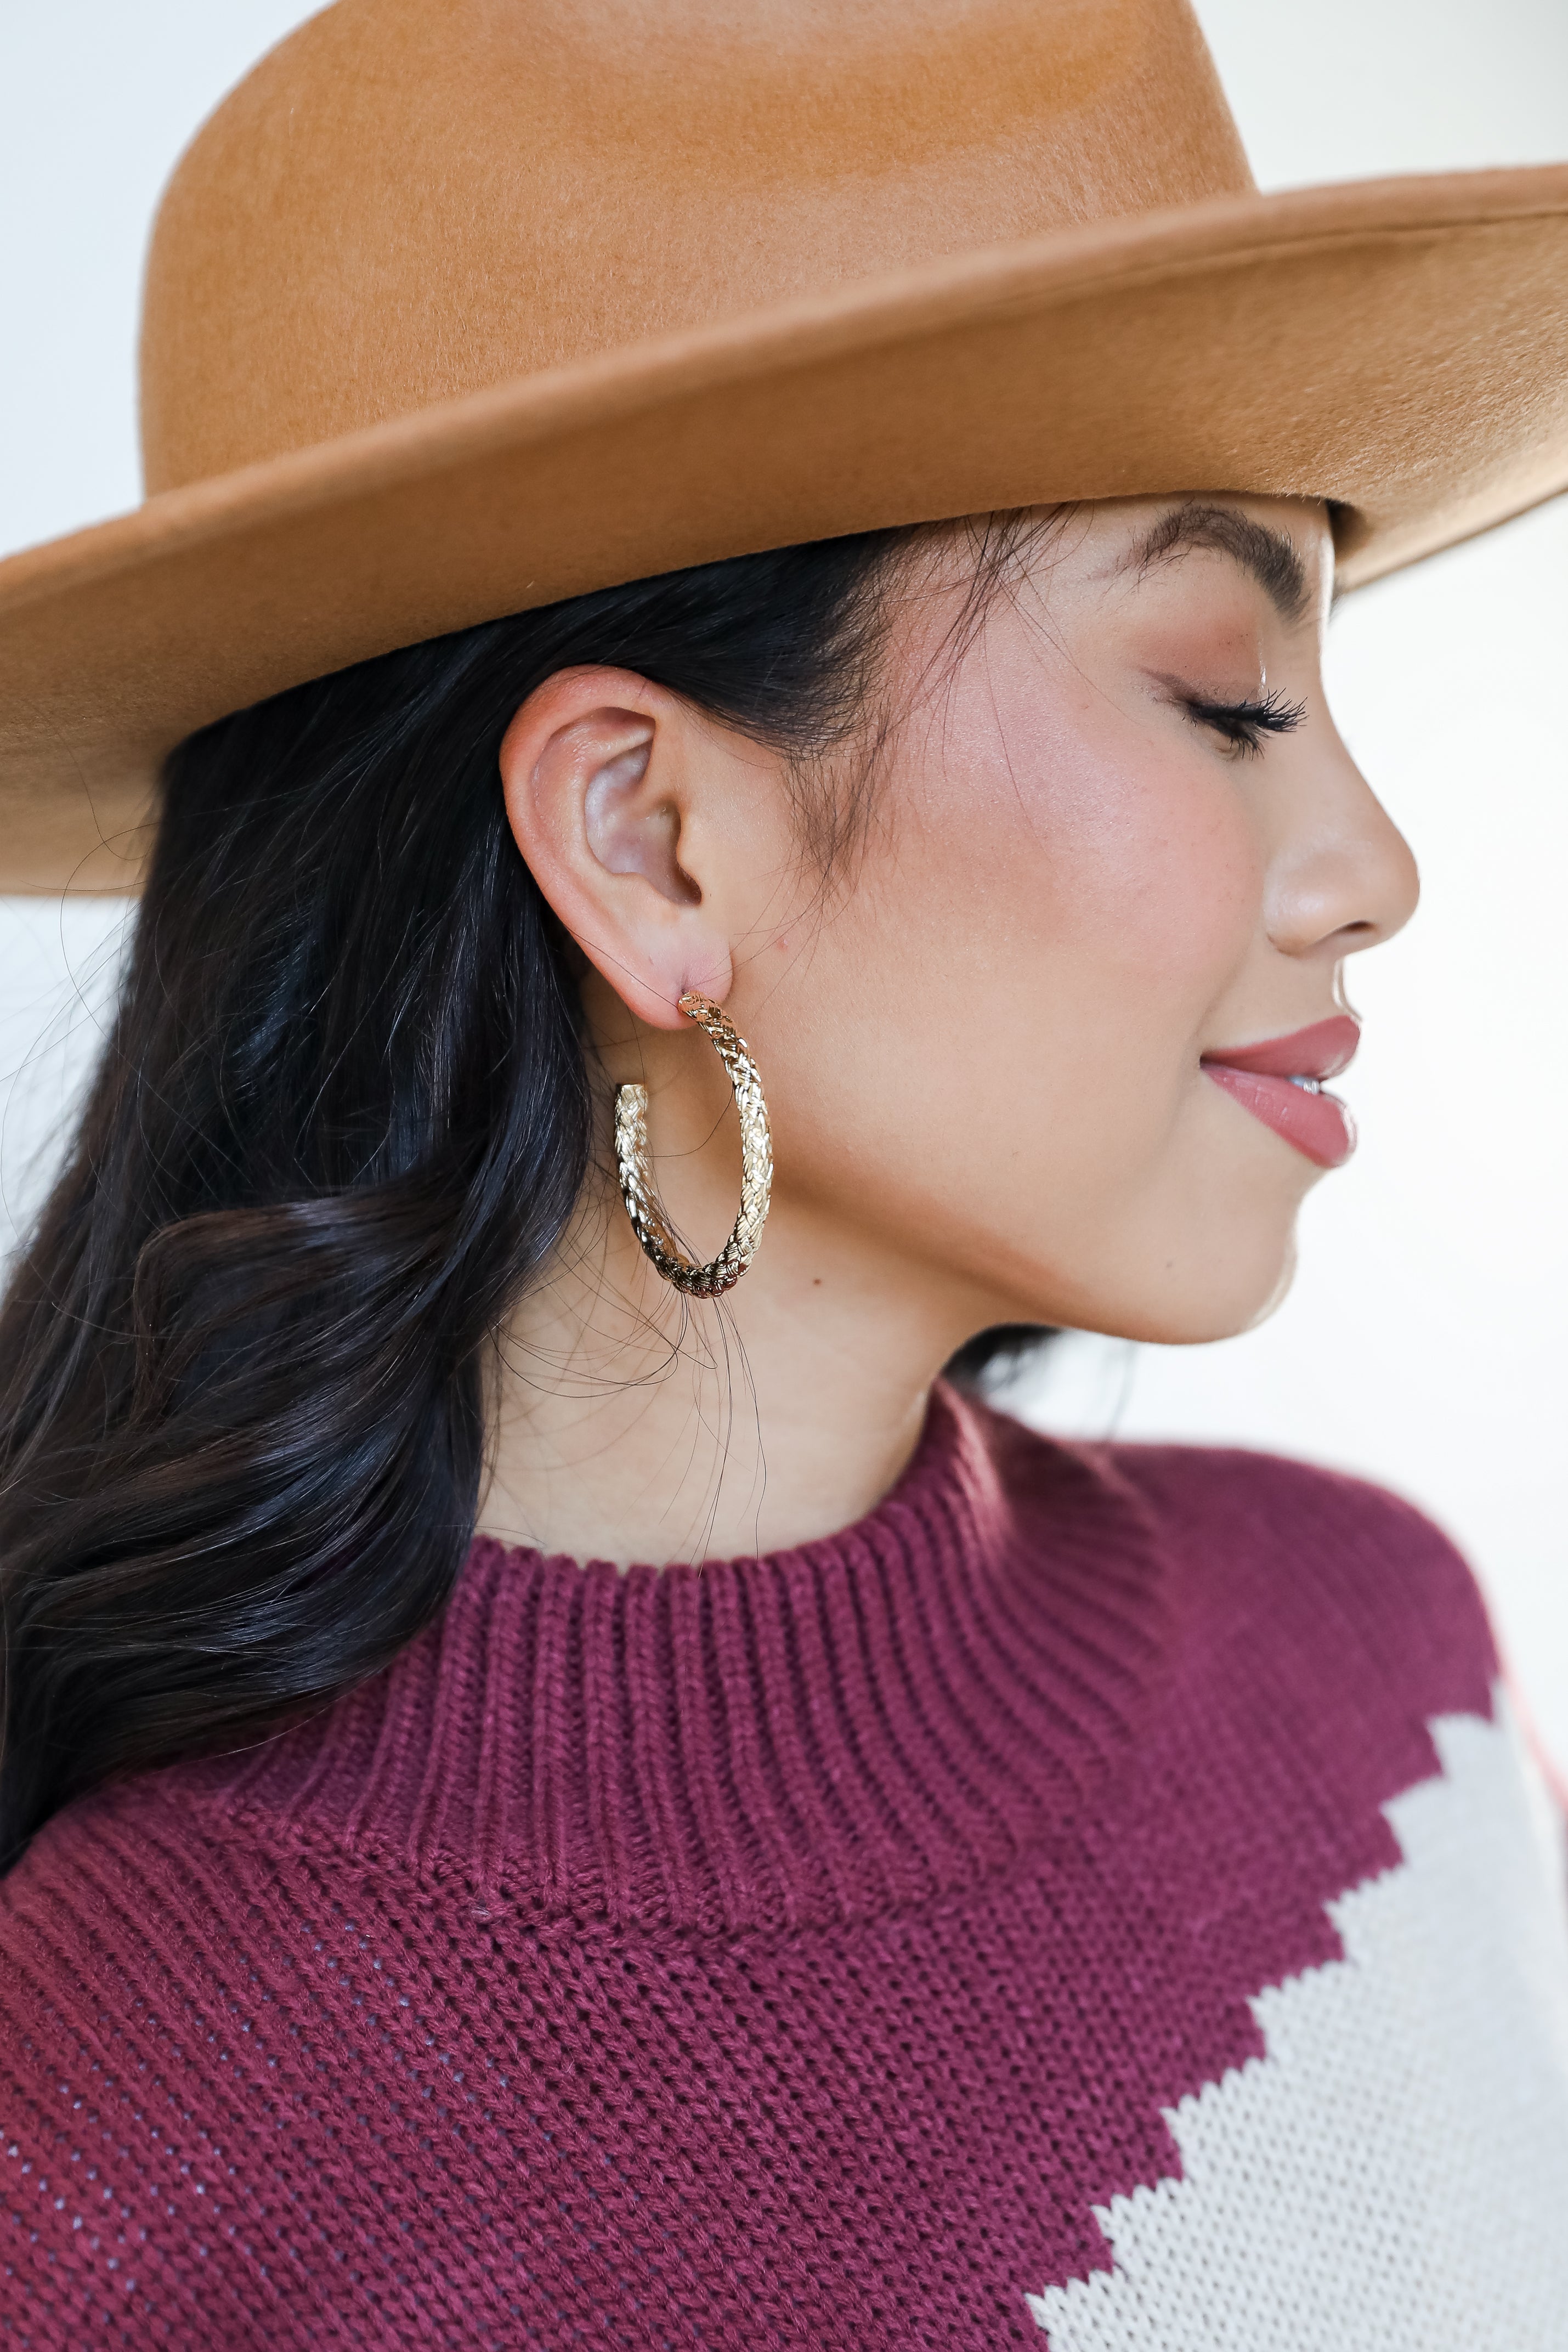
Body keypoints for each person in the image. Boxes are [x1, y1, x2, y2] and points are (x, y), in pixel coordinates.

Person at [0, 1, 1564, 2343]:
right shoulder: (105, 2136)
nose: (1368, 864)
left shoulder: (1385, 1691)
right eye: (1226, 694)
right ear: (650, 837)